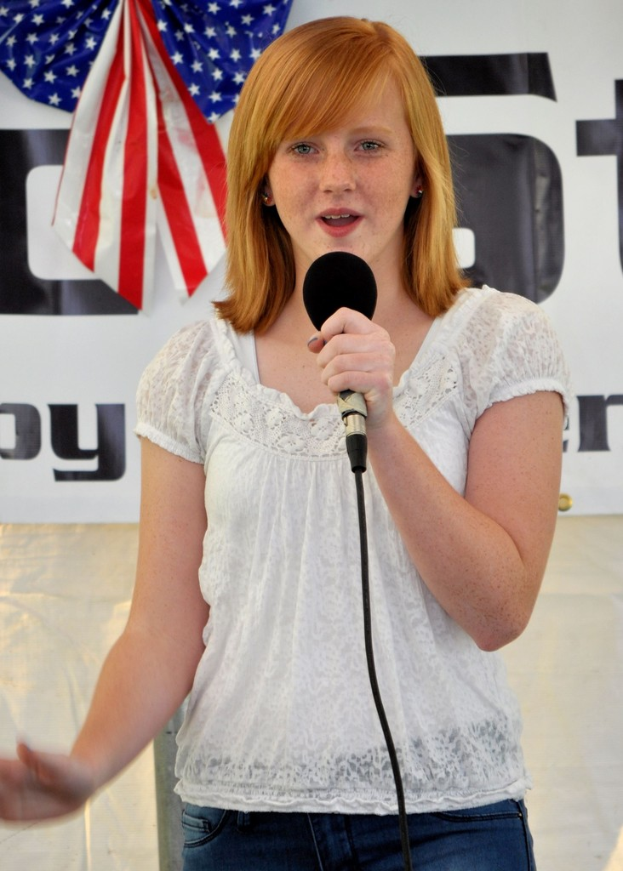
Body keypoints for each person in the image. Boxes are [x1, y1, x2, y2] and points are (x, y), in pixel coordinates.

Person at [0, 16, 570, 871]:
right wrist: (85, 767)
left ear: (419, 169)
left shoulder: (503, 339)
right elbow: (163, 626)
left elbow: (497, 612)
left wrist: (383, 422)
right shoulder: (194, 365)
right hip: (242, 826)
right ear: (263, 179)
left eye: (368, 144)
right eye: (302, 147)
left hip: (446, 824)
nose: (336, 176)